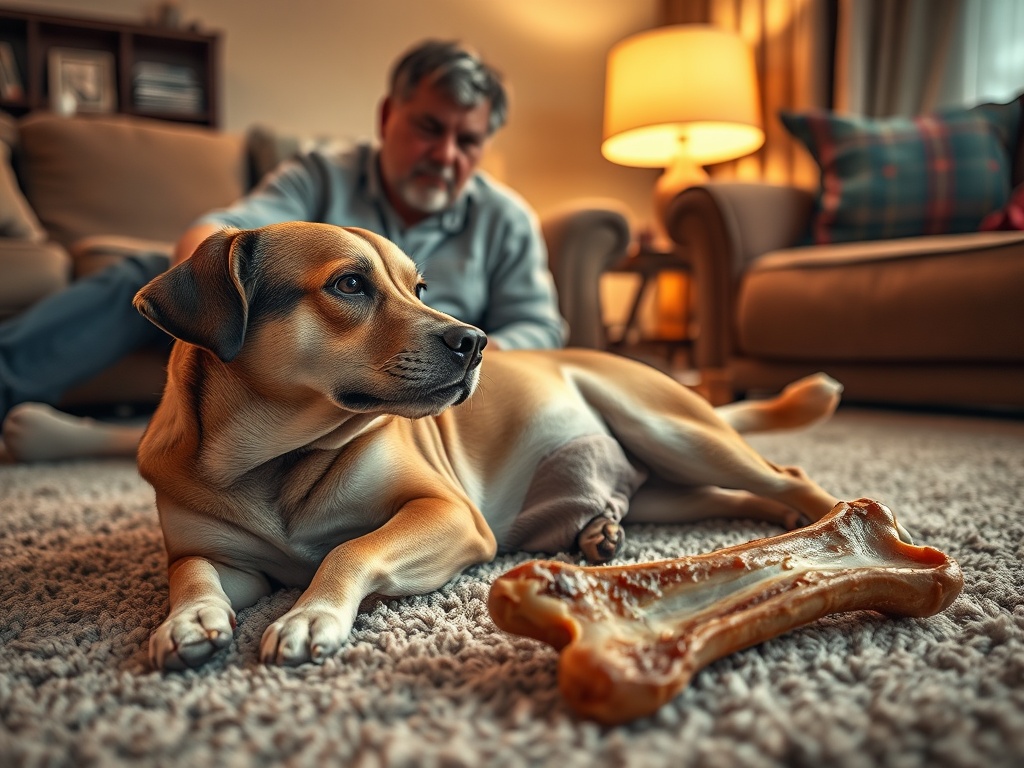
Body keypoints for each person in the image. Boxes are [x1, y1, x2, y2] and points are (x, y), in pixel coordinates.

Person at [0, 39, 566, 462]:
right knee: (151, 272)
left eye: (467, 141)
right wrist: (214, 288)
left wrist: (453, 364)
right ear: (388, 116)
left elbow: (537, 330)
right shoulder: (322, 173)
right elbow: (222, 230)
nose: (445, 155)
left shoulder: (506, 217)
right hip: (291, 356)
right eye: (428, 128)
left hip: (403, 399)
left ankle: (131, 441)